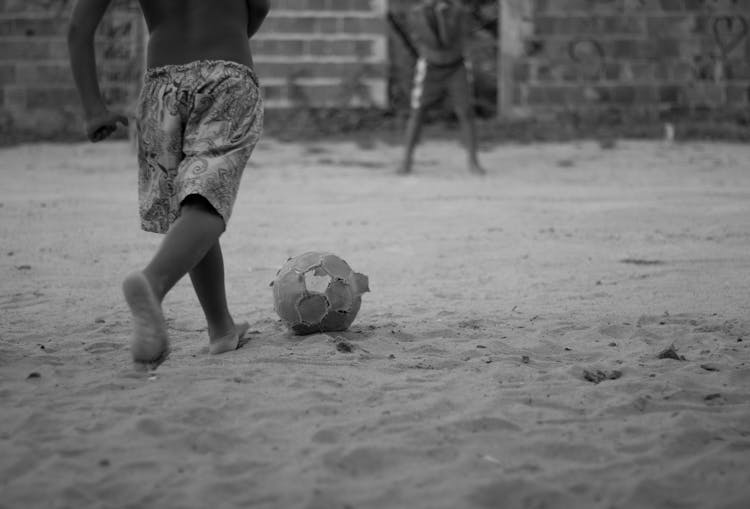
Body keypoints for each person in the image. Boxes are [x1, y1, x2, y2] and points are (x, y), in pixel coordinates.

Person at [67, 0, 269, 368]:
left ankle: (221, 328)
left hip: (162, 87)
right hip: (227, 77)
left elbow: (79, 30)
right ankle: (153, 283)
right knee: (208, 200)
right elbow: (259, 7)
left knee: (189, 202)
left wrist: (93, 108)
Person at [399, 0, 485, 175]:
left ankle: (473, 161)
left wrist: (442, 16)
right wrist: (435, 16)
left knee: (465, 111)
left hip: (456, 66)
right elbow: (432, 41)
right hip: (431, 67)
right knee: (417, 111)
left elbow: (448, 39)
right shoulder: (417, 14)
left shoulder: (457, 11)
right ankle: (406, 160)